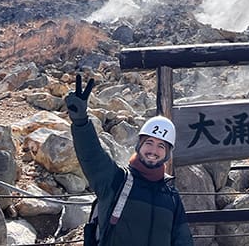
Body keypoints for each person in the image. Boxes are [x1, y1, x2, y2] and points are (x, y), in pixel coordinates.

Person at [65, 74, 193, 246]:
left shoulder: (171, 196)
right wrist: (81, 122)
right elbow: (92, 156)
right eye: (149, 143)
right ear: (139, 145)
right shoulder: (115, 180)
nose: (153, 151)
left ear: (167, 154)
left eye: (161, 146)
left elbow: (183, 241)